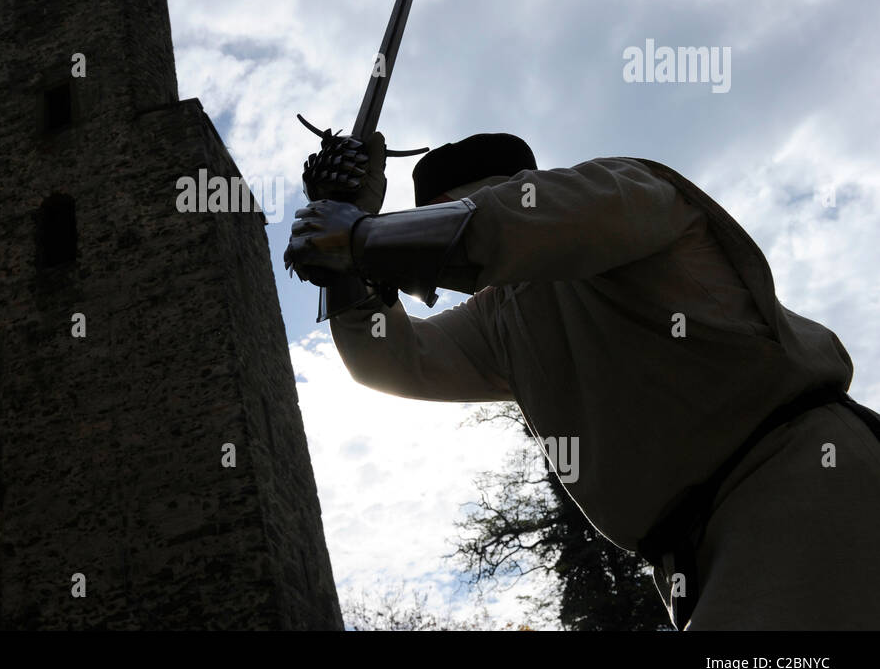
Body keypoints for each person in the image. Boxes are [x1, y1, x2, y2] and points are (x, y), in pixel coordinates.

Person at [284, 131, 880, 629]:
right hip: (701, 556)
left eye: (431, 215)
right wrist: (348, 267)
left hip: (802, 481)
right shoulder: (502, 317)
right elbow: (388, 360)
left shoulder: (617, 191)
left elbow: (520, 221)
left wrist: (363, 237)